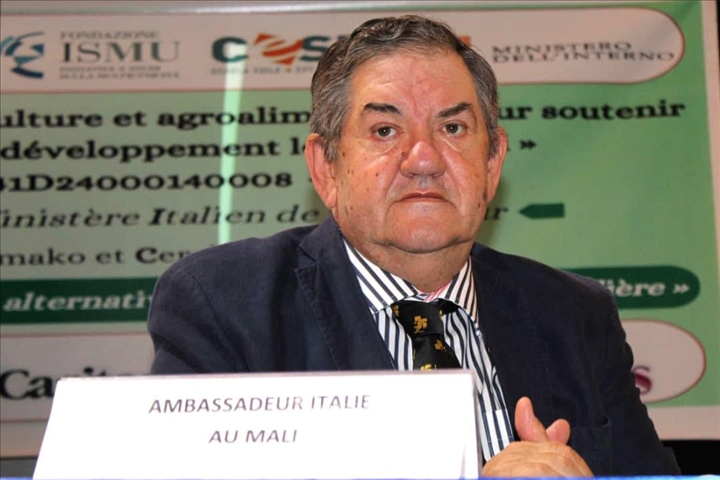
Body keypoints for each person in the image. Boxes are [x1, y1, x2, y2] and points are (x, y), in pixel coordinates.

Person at [147, 14, 680, 476]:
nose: (423, 159)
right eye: (384, 130)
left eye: (453, 128)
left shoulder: (575, 314)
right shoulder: (227, 305)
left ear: (492, 162)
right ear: (326, 168)